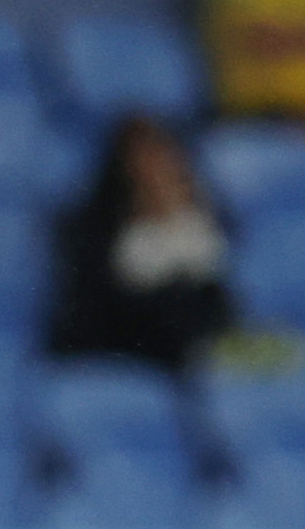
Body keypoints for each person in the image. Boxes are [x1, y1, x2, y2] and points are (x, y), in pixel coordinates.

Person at [47, 111, 230, 367]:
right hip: (117, 357)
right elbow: (90, 322)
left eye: (166, 159)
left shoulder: (212, 227)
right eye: (145, 160)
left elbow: (219, 317)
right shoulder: (91, 236)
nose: (159, 171)